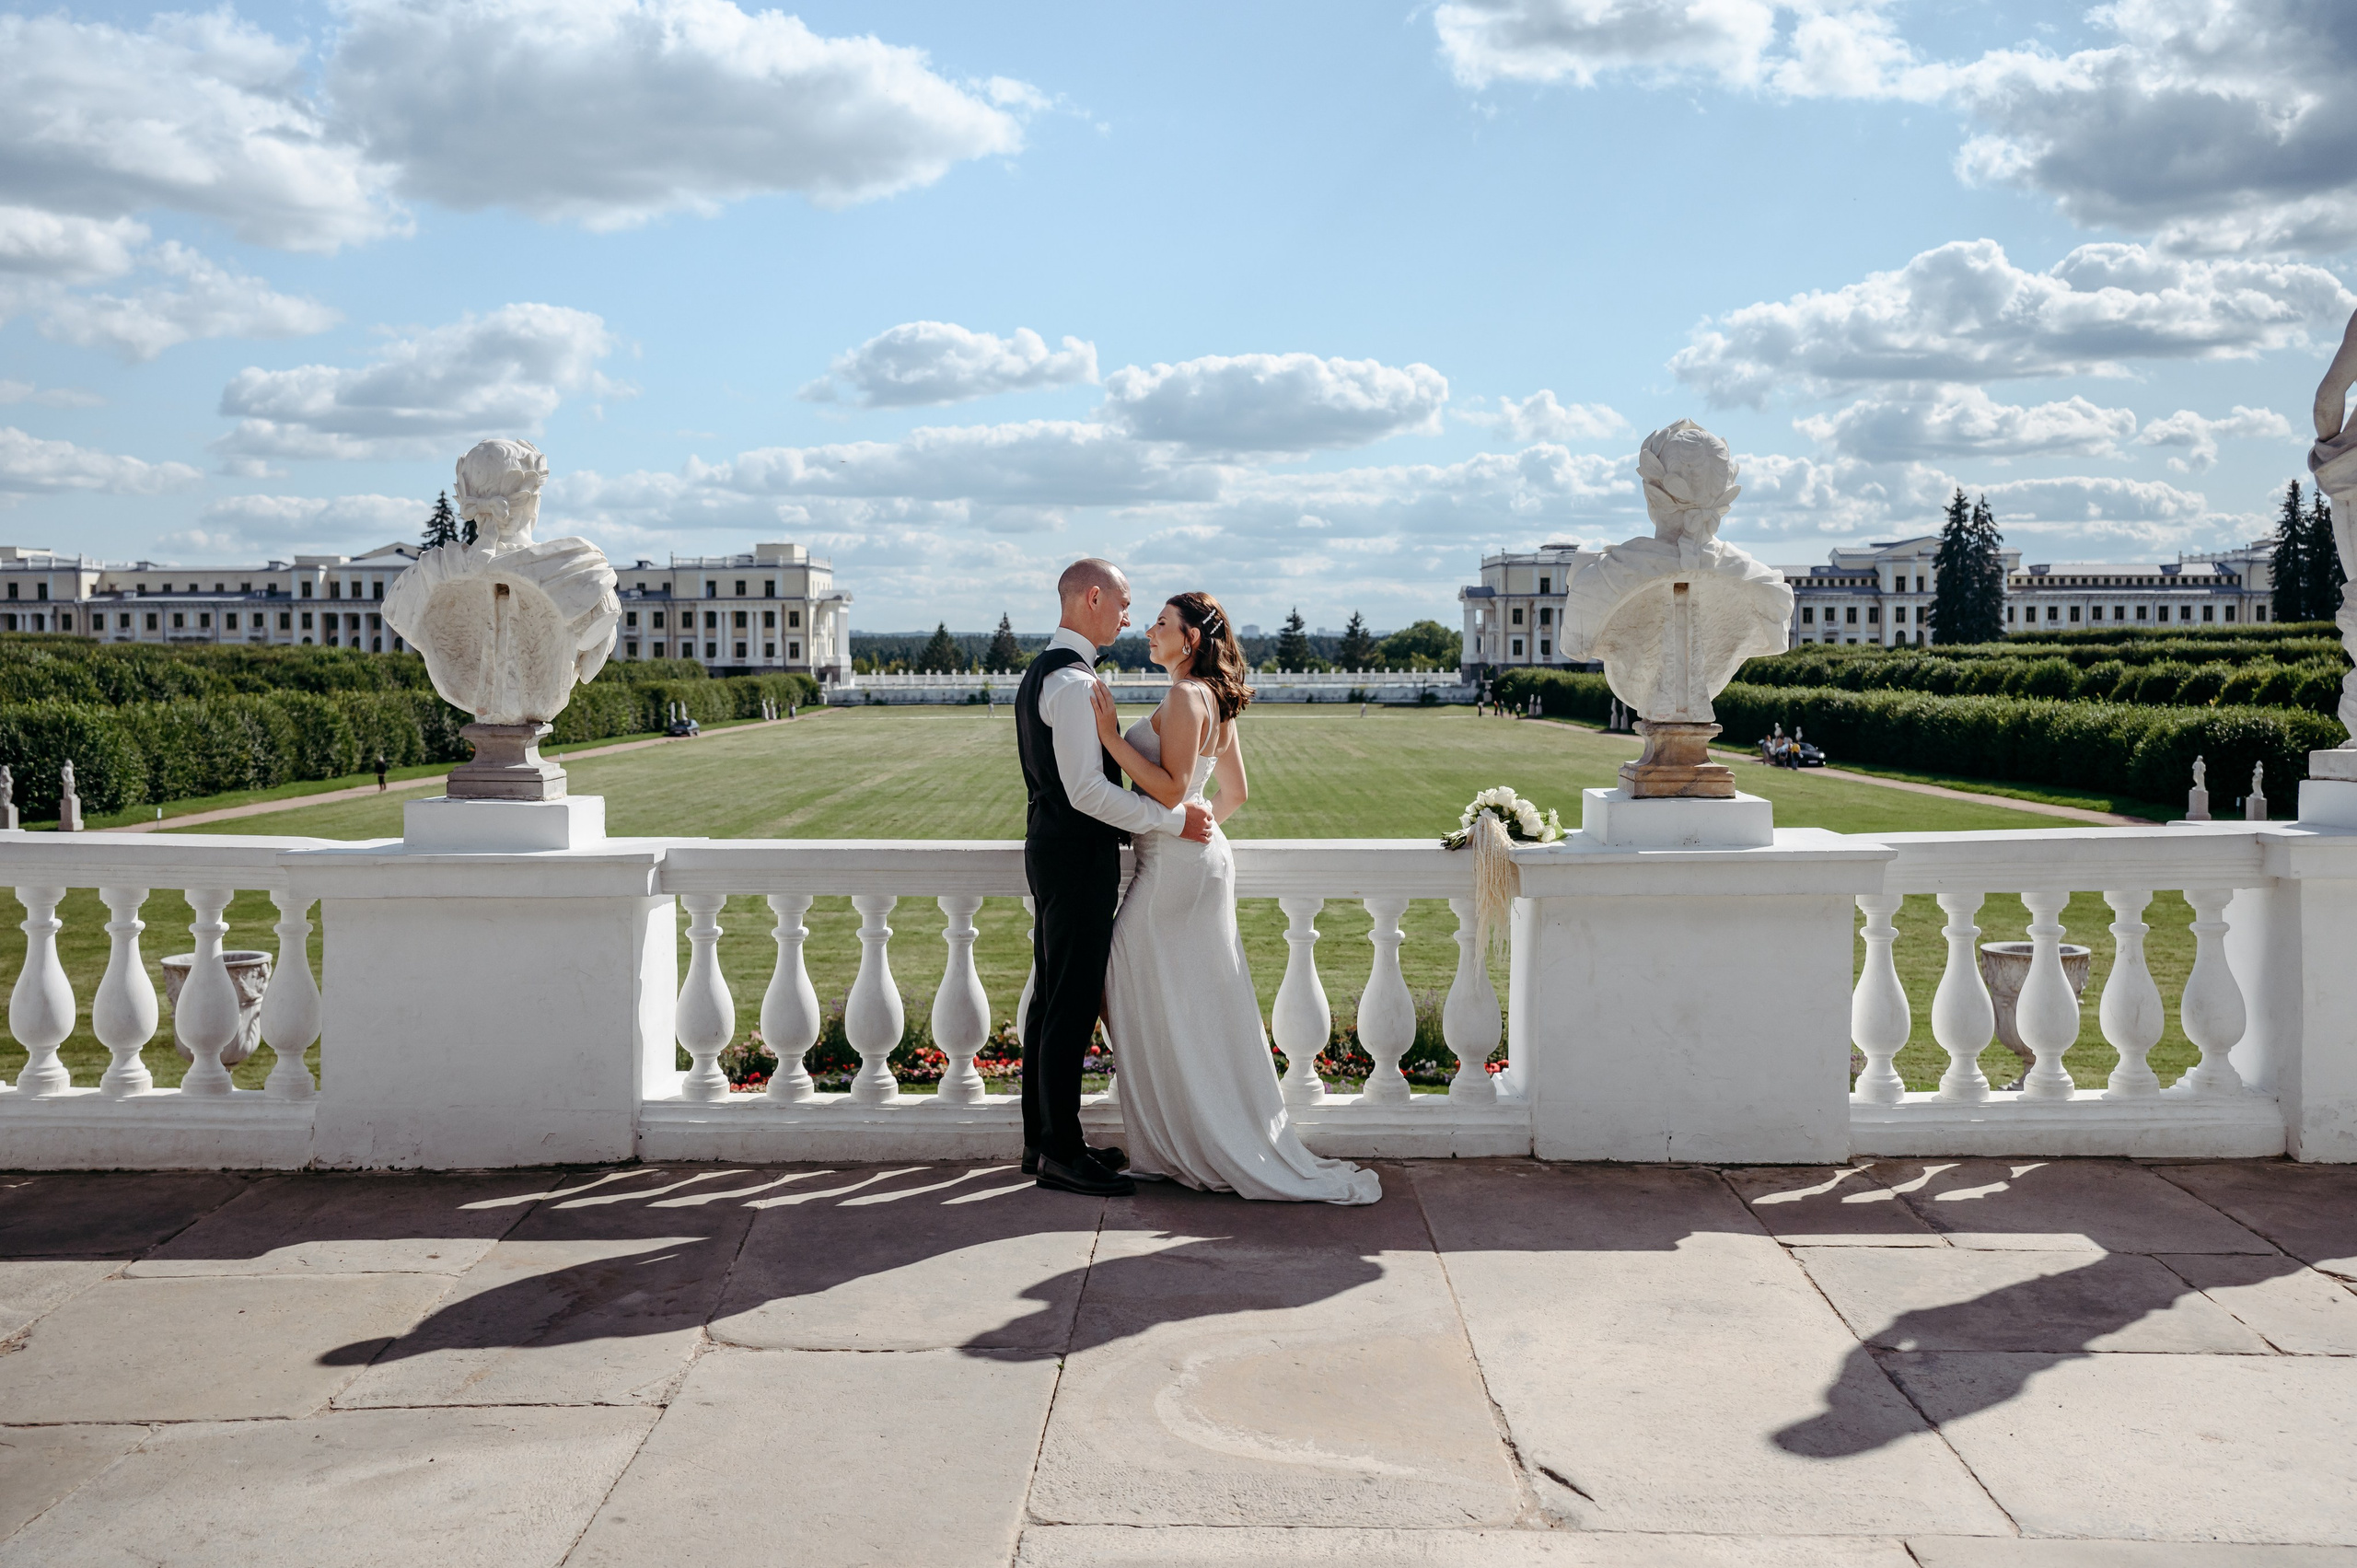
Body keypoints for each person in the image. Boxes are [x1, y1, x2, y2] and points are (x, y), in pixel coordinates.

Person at [1086, 592, 1382, 1205]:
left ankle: (1182, 1135)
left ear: (1190, 638)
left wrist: (1112, 738)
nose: (1151, 629)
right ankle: (1184, 1130)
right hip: (1197, 861)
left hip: (1172, 869)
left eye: (1163, 623)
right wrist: (1201, 831)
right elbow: (1234, 793)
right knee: (1188, 995)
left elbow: (1170, 791)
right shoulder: (1213, 698)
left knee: (1118, 974)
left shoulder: (1184, 695)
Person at [1016, 560, 1214, 1198]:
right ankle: (1061, 1152)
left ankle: (1044, 1140)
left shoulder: (1045, 672)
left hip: (1053, 851)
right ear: (1093, 597)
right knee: (1068, 1003)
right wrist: (1168, 818)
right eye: (1125, 604)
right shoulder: (1074, 683)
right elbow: (1086, 791)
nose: (1130, 619)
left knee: (1052, 997)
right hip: (1076, 856)